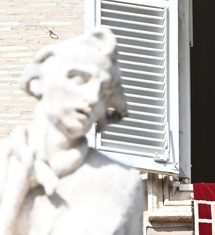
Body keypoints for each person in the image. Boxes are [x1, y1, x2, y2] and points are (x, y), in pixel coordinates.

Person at [0, 28, 143, 235]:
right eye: (79, 79)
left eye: (104, 91)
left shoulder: (122, 184)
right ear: (40, 83)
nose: (93, 97)